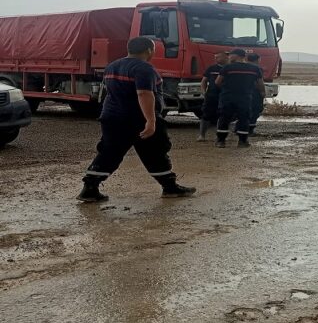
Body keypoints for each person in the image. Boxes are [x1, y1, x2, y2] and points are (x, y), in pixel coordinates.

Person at [77, 37, 196, 202]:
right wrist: (151, 120)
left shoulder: (112, 66)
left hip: (112, 117)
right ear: (149, 50)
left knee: (109, 152)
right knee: (155, 152)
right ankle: (170, 187)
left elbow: (108, 92)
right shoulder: (144, 68)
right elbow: (144, 93)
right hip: (137, 119)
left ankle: (89, 188)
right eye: (153, 50)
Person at [215, 48, 265, 148]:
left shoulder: (227, 67)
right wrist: (262, 93)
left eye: (230, 55)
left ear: (236, 56)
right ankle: (242, 141)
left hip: (228, 97)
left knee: (224, 117)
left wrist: (226, 89)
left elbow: (217, 82)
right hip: (245, 97)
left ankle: (221, 141)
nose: (229, 57)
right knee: (244, 118)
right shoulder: (254, 69)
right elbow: (260, 84)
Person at [197, 52, 229, 141]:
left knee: (223, 115)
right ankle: (202, 135)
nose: (216, 59)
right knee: (205, 115)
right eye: (215, 57)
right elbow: (204, 81)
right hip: (211, 95)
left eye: (218, 57)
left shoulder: (230, 68)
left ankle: (219, 136)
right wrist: (204, 92)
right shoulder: (211, 68)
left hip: (225, 96)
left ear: (226, 57)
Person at [247, 53, 265, 136]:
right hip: (255, 93)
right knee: (256, 110)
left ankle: (239, 128)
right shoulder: (257, 69)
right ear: (257, 59)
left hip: (243, 92)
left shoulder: (242, 67)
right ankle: (250, 130)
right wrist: (262, 92)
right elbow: (259, 82)